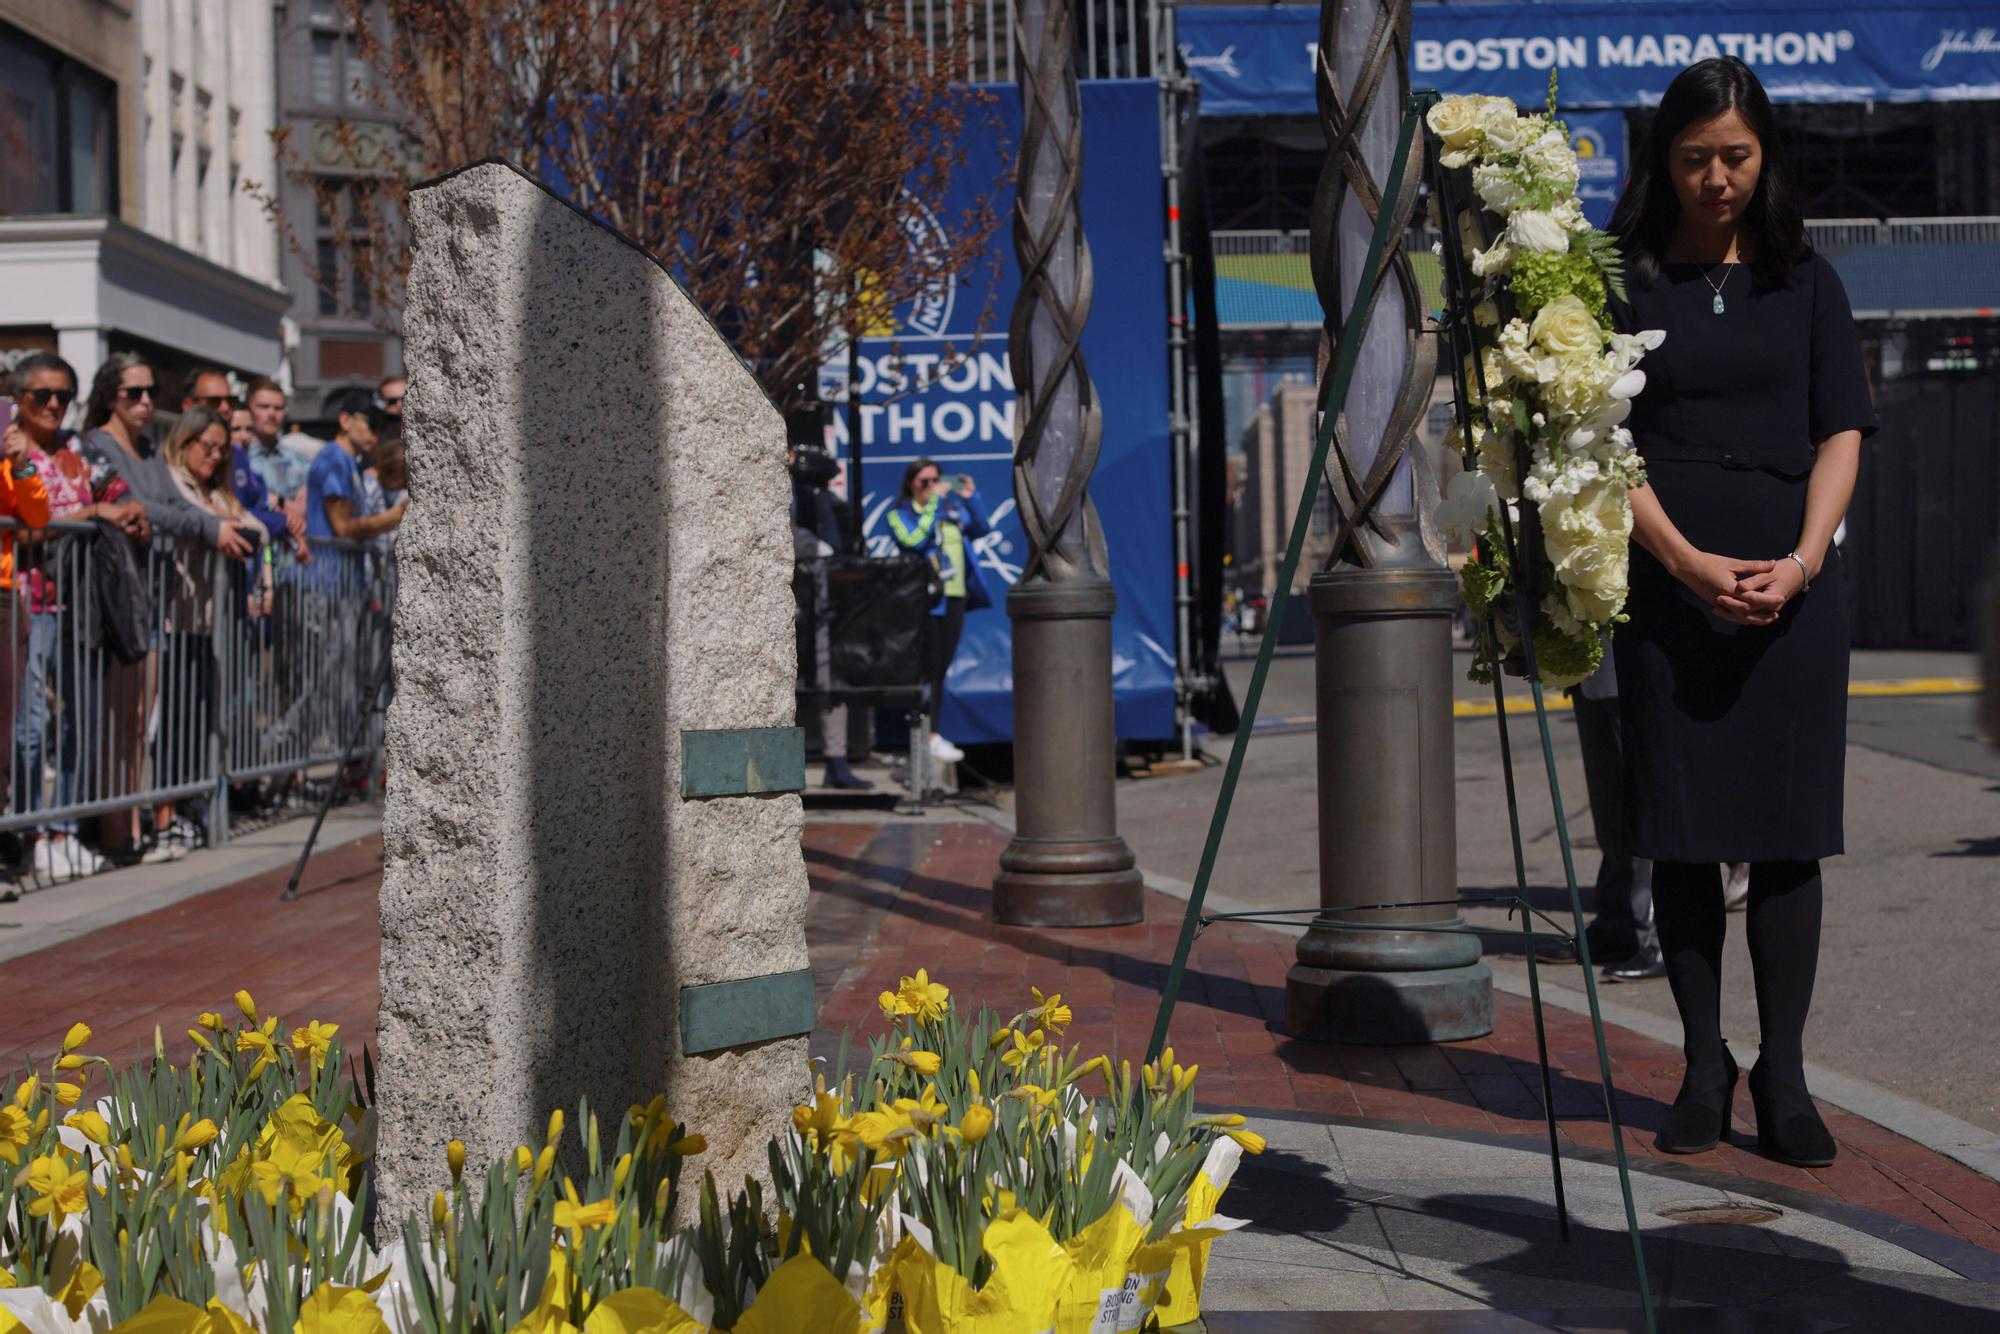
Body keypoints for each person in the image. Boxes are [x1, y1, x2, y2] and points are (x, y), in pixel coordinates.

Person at [1606, 57, 1876, 1168]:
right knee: (1680, 837)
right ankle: (1701, 1064)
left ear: (1763, 158)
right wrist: (1676, 560)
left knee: (1785, 837)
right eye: (1691, 159)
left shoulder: (1805, 280)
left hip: (1791, 594)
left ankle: (1785, 1069)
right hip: (1668, 593)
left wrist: (1802, 560)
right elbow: (1596, 443)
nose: (1713, 178)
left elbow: (1841, 430)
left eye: (1733, 157)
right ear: (1660, 164)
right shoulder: (1620, 281)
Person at [80, 354, 256, 862]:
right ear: (109, 395)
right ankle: (117, 834)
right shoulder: (97, 445)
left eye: (150, 391)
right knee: (116, 719)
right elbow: (143, 504)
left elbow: (174, 508)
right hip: (112, 594)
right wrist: (208, 528)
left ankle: (133, 828)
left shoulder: (152, 448)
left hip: (147, 596)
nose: (144, 402)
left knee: (139, 722)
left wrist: (208, 521)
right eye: (133, 392)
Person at [159, 407, 273, 847]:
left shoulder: (217, 492)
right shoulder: (174, 482)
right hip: (175, 617)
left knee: (202, 718)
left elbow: (257, 529)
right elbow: (208, 522)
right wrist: (221, 525)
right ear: (185, 442)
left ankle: (193, 804)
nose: (215, 456)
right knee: (174, 721)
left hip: (211, 624)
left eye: (222, 450)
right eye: (208, 447)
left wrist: (236, 526)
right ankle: (168, 812)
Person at [887, 457, 992, 764]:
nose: (931, 487)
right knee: (928, 667)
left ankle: (932, 733)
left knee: (940, 668)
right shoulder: (900, 513)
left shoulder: (950, 509)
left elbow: (981, 528)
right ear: (911, 484)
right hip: (925, 599)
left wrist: (972, 499)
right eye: (924, 482)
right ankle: (928, 735)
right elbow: (914, 540)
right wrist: (933, 504)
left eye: (935, 481)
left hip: (954, 594)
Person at [1570, 652, 1660, 981]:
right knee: (1609, 803)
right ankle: (1617, 923)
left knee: (1653, 803)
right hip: (1588, 659)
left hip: (1639, 655)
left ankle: (1671, 939)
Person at [790, 446, 870, 790]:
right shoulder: (793, 494)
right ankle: (786, 763)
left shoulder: (822, 500)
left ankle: (836, 761)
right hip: (794, 604)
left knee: (830, 679)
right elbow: (794, 535)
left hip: (824, 607)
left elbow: (835, 544)